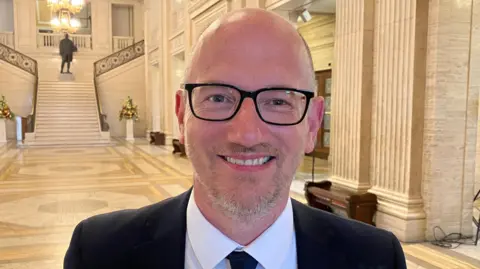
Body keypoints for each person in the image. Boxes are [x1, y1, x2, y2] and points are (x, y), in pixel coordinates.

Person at [63, 8, 407, 269]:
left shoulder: (376, 257)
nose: (246, 134)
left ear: (313, 124)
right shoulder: (98, 252)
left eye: (278, 101)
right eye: (218, 97)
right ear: (182, 114)